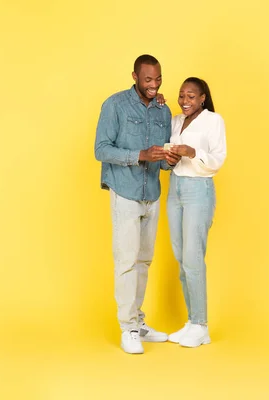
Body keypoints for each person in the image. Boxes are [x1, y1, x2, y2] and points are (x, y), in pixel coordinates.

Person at [94, 54, 181, 354]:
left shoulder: (163, 111)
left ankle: (138, 321)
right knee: (126, 261)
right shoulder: (115, 105)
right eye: (148, 80)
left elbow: (165, 159)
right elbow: (101, 149)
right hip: (125, 193)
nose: (154, 85)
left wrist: (171, 159)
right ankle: (127, 327)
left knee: (144, 261)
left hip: (152, 193)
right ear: (135, 77)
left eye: (158, 79)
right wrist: (139, 155)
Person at [165, 77, 227, 348]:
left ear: (202, 98)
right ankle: (192, 322)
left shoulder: (213, 120)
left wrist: (193, 151)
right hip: (175, 188)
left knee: (193, 257)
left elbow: (218, 159)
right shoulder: (176, 121)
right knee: (181, 256)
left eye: (191, 96)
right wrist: (172, 157)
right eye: (182, 96)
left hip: (198, 190)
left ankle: (201, 326)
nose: (185, 101)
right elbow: (170, 152)